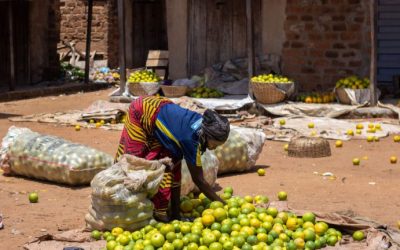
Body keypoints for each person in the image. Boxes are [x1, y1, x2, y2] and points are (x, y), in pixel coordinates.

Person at [115, 96, 230, 222]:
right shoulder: (190, 141)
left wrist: (177, 216)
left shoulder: (202, 125)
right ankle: (120, 204)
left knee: (170, 166)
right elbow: (199, 180)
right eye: (214, 144)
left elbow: (176, 171)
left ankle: (169, 213)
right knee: (135, 162)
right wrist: (222, 204)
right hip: (144, 110)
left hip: (164, 113)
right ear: (206, 135)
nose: (213, 149)